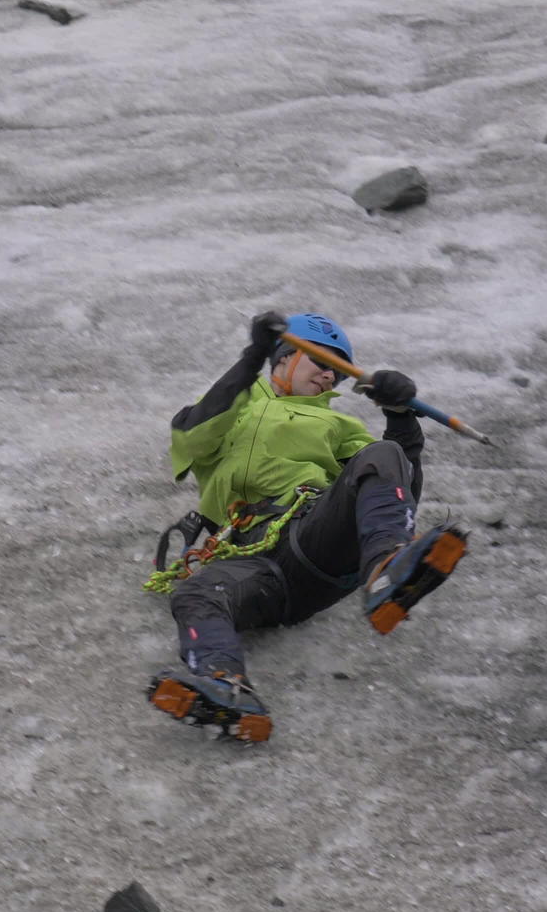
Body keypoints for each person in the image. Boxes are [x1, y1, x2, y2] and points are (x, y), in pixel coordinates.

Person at [147, 311, 469, 742]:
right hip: (250, 560)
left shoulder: (338, 424)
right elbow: (189, 434)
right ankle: (226, 685)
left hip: (312, 537)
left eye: (338, 373)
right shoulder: (235, 404)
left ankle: (386, 568)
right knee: (198, 592)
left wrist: (401, 421)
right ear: (284, 357)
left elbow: (401, 487)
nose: (329, 377)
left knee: (382, 454)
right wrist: (252, 357)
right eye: (321, 362)